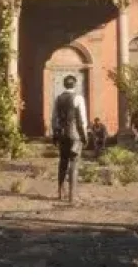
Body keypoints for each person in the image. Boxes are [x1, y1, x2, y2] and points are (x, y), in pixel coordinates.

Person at [52, 75, 88, 203]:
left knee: (62, 162)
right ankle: (72, 196)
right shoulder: (78, 98)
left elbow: (54, 118)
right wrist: (84, 135)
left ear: (64, 84)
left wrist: (55, 134)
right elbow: (82, 120)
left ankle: (61, 193)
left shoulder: (58, 99)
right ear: (75, 84)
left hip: (62, 134)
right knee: (74, 163)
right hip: (75, 135)